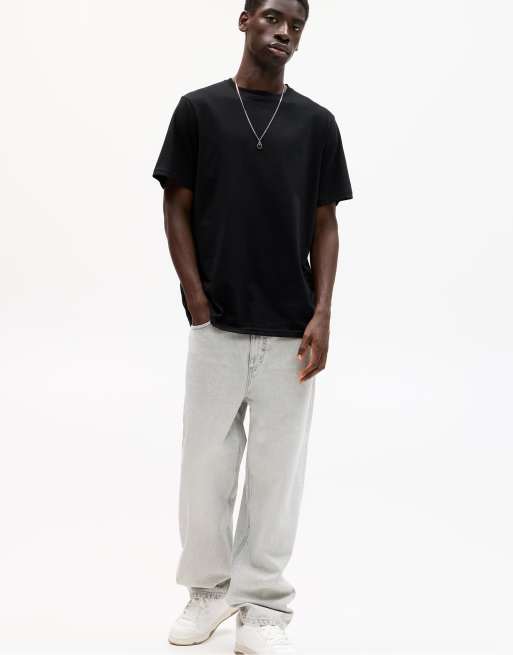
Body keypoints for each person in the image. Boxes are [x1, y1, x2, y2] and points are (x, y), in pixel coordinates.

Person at [152, 1, 352, 652]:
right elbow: (175, 204)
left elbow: (325, 223)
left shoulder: (316, 124)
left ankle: (263, 604)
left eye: (296, 24)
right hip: (217, 323)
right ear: (243, 21)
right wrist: (195, 295)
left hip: (291, 326)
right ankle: (209, 591)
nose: (283, 31)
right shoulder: (199, 110)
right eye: (271, 17)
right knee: (204, 467)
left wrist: (322, 313)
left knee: (276, 472)